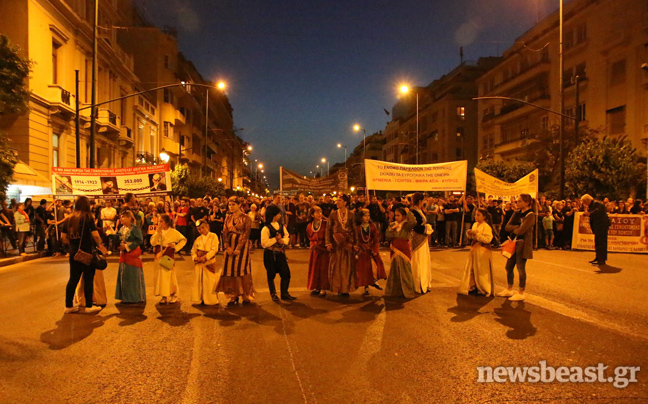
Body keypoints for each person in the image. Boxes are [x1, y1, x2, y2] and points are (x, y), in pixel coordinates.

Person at [61, 196, 108, 314]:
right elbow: (96, 235)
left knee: (73, 279)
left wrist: (72, 245)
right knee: (88, 279)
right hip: (87, 252)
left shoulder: (69, 219)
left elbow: (63, 237)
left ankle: (68, 305)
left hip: (74, 253)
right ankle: (88, 306)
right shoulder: (88, 218)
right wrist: (100, 245)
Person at [214, 196, 255, 306]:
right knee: (230, 269)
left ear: (239, 205)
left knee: (242, 268)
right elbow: (224, 232)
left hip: (241, 246)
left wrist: (238, 248)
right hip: (230, 246)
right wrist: (227, 247)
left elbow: (246, 233)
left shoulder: (246, 218)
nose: (231, 207)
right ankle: (233, 294)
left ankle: (245, 293)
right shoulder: (228, 218)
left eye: (233, 205)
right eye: (230, 205)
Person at [497, 194, 536, 302]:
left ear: (527, 203)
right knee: (509, 266)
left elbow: (521, 231)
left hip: (523, 243)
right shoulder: (516, 213)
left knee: (520, 267)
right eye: (517, 201)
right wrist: (517, 227)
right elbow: (507, 227)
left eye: (519, 201)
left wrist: (516, 229)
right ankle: (509, 288)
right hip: (513, 242)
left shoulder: (531, 215)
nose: (517, 203)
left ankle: (521, 292)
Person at [261, 204, 296, 301]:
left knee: (286, 273)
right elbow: (264, 243)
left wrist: (283, 241)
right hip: (270, 254)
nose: (280, 215)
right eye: (278, 213)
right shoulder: (266, 228)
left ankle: (284, 293)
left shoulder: (281, 226)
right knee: (271, 274)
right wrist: (275, 239)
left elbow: (286, 236)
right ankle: (273, 294)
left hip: (280, 253)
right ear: (273, 215)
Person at [151, 214, 187, 304]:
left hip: (169, 256)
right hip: (159, 255)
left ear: (167, 222)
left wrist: (176, 247)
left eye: (161, 221)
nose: (160, 223)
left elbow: (183, 240)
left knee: (170, 275)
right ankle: (163, 296)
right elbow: (153, 242)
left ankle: (173, 294)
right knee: (161, 276)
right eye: (159, 221)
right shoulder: (158, 232)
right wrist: (157, 233)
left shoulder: (174, 232)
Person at [458, 208, 494, 296]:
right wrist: (469, 234)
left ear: (484, 217)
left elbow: (488, 239)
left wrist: (477, 235)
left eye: (478, 215)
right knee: (472, 269)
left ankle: (483, 288)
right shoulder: (474, 224)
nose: (476, 217)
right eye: (475, 215)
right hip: (474, 249)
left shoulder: (486, 227)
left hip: (482, 250)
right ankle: (473, 286)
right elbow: (472, 236)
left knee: (481, 271)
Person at [325, 194, 356, 297]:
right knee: (336, 267)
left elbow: (355, 230)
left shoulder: (351, 214)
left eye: (339, 201)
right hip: (336, 244)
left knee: (346, 267)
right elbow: (328, 229)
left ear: (345, 202)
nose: (337, 202)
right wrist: (328, 242)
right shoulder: (333, 214)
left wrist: (355, 244)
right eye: (337, 201)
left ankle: (345, 289)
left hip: (347, 244)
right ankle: (337, 287)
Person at [384, 207, 416, 298]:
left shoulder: (407, 225)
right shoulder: (392, 225)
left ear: (404, 216)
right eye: (395, 215)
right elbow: (387, 236)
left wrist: (408, 212)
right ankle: (394, 291)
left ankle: (408, 291)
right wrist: (392, 229)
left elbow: (414, 222)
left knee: (406, 270)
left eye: (398, 215)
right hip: (394, 249)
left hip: (404, 250)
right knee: (395, 270)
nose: (396, 217)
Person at [115, 210, 146, 304]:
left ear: (129, 218)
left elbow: (139, 240)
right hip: (123, 254)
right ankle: (125, 297)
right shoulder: (122, 229)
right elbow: (119, 238)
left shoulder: (135, 228)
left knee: (133, 275)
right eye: (120, 217)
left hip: (132, 254)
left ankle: (135, 297)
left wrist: (127, 246)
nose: (121, 218)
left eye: (123, 216)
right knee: (124, 275)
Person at [353, 208, 386, 296]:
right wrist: (355, 247)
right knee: (363, 270)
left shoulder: (372, 226)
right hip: (361, 251)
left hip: (370, 250)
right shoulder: (357, 227)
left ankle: (374, 281)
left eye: (368, 216)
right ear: (360, 217)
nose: (367, 217)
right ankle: (366, 286)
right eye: (365, 216)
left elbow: (376, 239)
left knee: (373, 268)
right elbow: (354, 238)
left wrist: (375, 249)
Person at [190, 219, 220, 306]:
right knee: (200, 281)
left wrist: (205, 257)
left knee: (209, 281)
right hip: (199, 263)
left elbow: (214, 249)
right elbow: (193, 250)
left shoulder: (213, 236)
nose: (201, 230)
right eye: (199, 229)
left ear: (207, 227)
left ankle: (211, 299)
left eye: (203, 228)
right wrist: (195, 257)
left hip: (209, 262)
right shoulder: (198, 239)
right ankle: (201, 298)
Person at [306, 206, 330, 296]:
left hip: (323, 249)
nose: (320, 214)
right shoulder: (309, 226)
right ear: (312, 215)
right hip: (314, 250)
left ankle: (324, 287)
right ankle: (316, 287)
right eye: (317, 212)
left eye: (320, 212)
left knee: (323, 269)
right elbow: (309, 237)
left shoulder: (326, 224)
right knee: (314, 268)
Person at [410, 193, 432, 294]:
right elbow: (415, 226)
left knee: (423, 260)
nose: (425, 202)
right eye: (424, 200)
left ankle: (424, 283)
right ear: (420, 201)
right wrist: (426, 228)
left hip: (423, 239)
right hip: (418, 238)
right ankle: (417, 283)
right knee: (418, 260)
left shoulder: (419, 210)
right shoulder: (413, 211)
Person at [581, 194, 611, 266]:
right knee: (597, 242)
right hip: (597, 226)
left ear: (587, 200)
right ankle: (598, 257)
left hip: (602, 225)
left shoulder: (597, 203)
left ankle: (602, 259)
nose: (584, 203)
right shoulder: (591, 205)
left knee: (602, 242)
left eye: (584, 201)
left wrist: (589, 213)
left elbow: (597, 211)